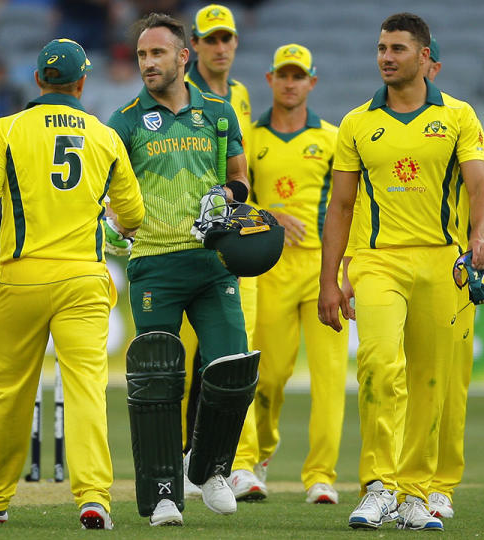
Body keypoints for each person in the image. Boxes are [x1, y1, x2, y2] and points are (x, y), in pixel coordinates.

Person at [0, 38, 144, 530]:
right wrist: (111, 223)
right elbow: (135, 214)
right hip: (83, 278)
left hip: (22, 276)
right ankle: (93, 495)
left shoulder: (7, 128)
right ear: (82, 82)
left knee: (12, 388)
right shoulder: (104, 136)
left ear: (38, 81)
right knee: (85, 389)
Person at [318, 12, 484, 531]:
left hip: (443, 261)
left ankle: (415, 493)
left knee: (430, 381)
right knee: (376, 362)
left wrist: (479, 238)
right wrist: (329, 281)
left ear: (423, 57)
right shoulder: (356, 123)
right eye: (380, 49)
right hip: (377, 262)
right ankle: (378, 485)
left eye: (396, 48)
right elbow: (341, 207)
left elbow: (480, 189)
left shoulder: (459, 116)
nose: (386, 58)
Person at [107, 13, 258, 526]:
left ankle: (209, 468)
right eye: (142, 55)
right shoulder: (123, 122)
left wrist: (226, 195)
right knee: (158, 382)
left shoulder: (218, 112)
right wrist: (109, 222)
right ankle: (163, 493)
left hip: (215, 263)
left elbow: (240, 179)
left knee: (233, 368)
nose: (147, 63)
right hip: (153, 265)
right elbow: (104, 195)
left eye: (157, 54)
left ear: (182, 57)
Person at [242, 43, 347, 505]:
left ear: (312, 82)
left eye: (298, 75)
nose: (290, 82)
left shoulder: (332, 138)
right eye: (282, 75)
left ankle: (321, 475)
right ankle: (259, 452)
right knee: (268, 375)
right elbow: (235, 199)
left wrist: (344, 270)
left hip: (322, 268)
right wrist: (270, 216)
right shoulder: (250, 137)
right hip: (269, 269)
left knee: (329, 377)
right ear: (270, 80)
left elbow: (349, 206)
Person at [181, 3, 263, 502]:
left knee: (217, 353)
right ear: (194, 46)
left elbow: (242, 167)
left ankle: (205, 460)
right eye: (210, 39)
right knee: (175, 352)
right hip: (180, 236)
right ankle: (177, 455)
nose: (219, 47)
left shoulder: (241, 96)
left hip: (227, 238)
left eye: (225, 38)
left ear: (234, 43)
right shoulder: (177, 93)